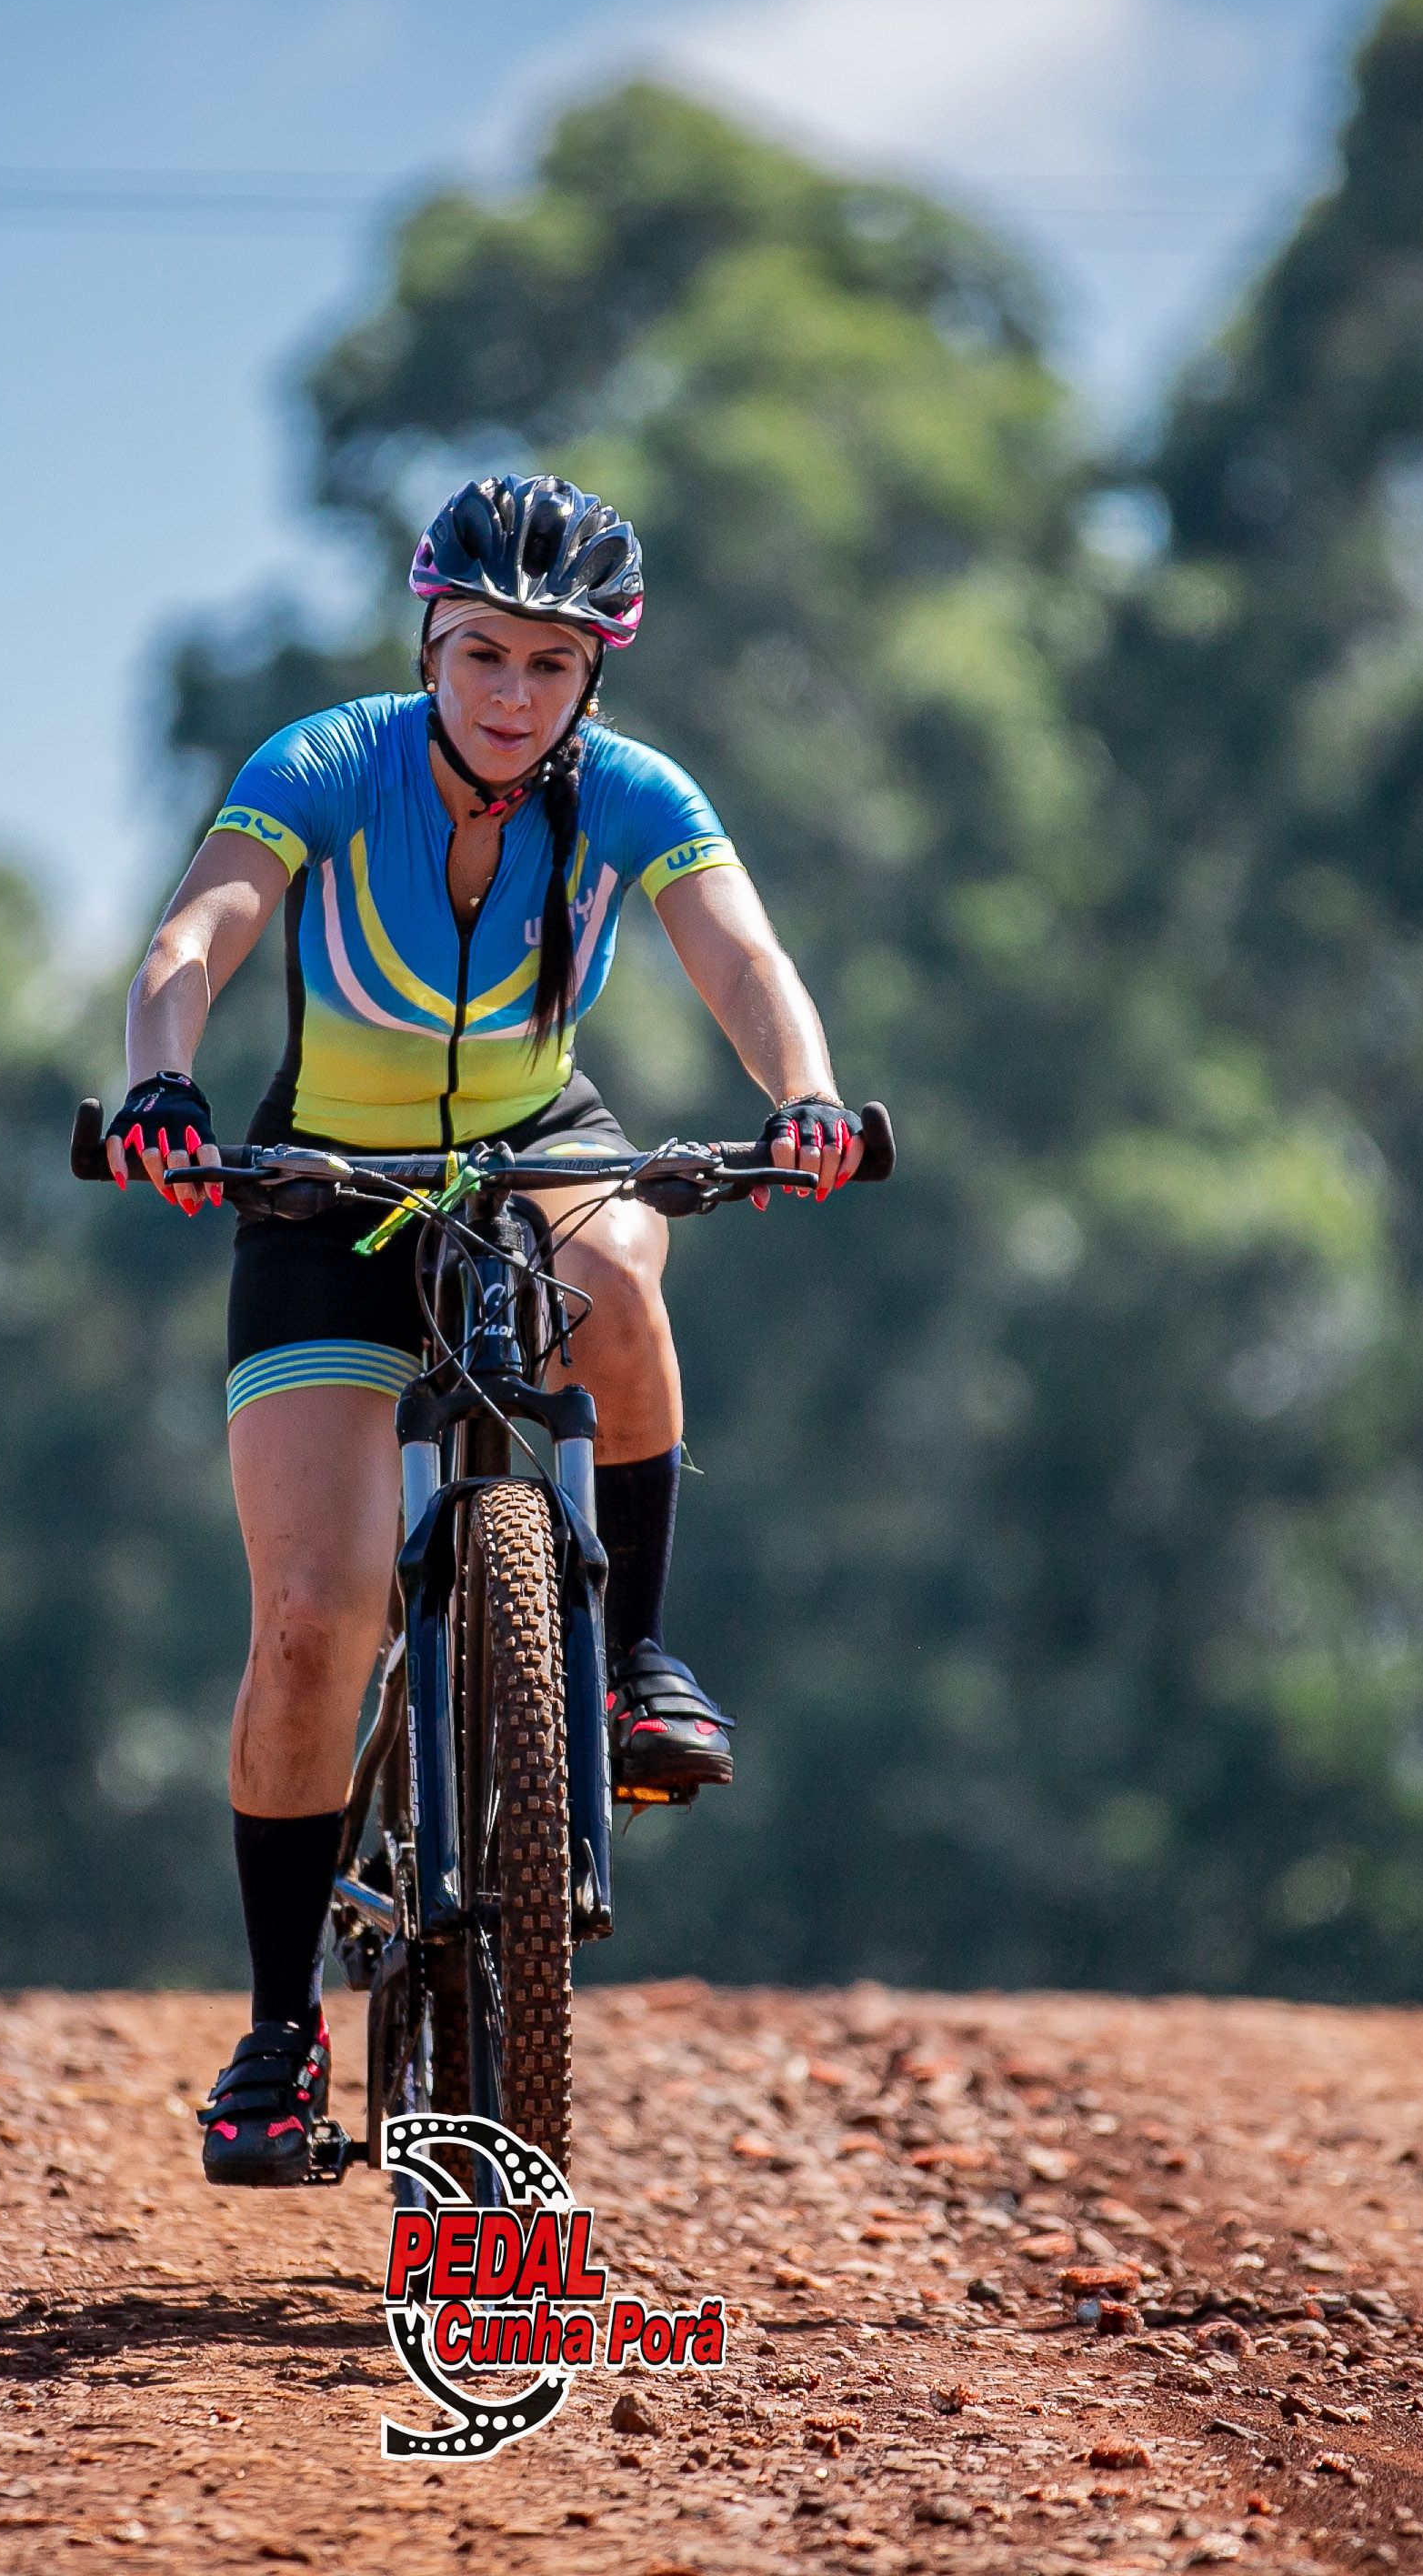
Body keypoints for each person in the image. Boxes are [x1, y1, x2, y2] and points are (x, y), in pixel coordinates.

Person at [107, 473, 862, 2186]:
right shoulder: (328, 761)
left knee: (626, 1273)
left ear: (593, 677)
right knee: (313, 1617)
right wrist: (162, 1077)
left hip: (535, 1150)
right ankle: (280, 2031)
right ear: (428, 646)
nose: (513, 694)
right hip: (322, 1188)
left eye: (550, 663)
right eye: (482, 655)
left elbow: (741, 957)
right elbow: (195, 934)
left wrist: (806, 1093)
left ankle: (636, 1661)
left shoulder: (631, 795)